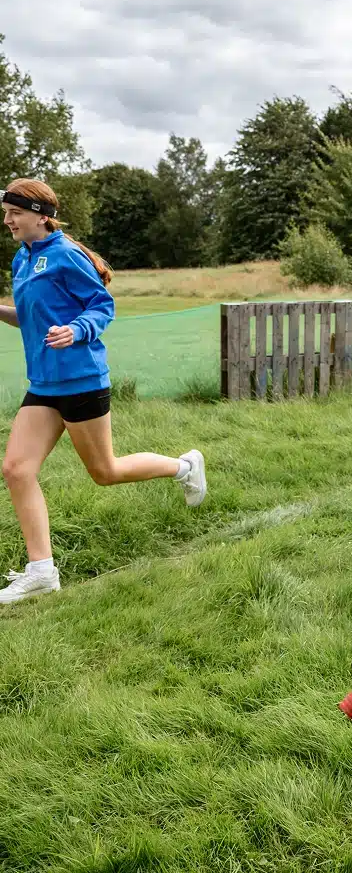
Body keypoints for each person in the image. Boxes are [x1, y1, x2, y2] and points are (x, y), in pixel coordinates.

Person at [0, 179, 207, 606]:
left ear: (40, 214)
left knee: (104, 472)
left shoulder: (65, 255)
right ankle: (41, 572)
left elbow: (102, 305)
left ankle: (184, 467)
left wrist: (76, 330)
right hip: (43, 384)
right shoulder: (23, 259)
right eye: (5, 214)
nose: (7, 222)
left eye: (14, 213)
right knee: (16, 470)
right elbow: (31, 317)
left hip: (81, 380)